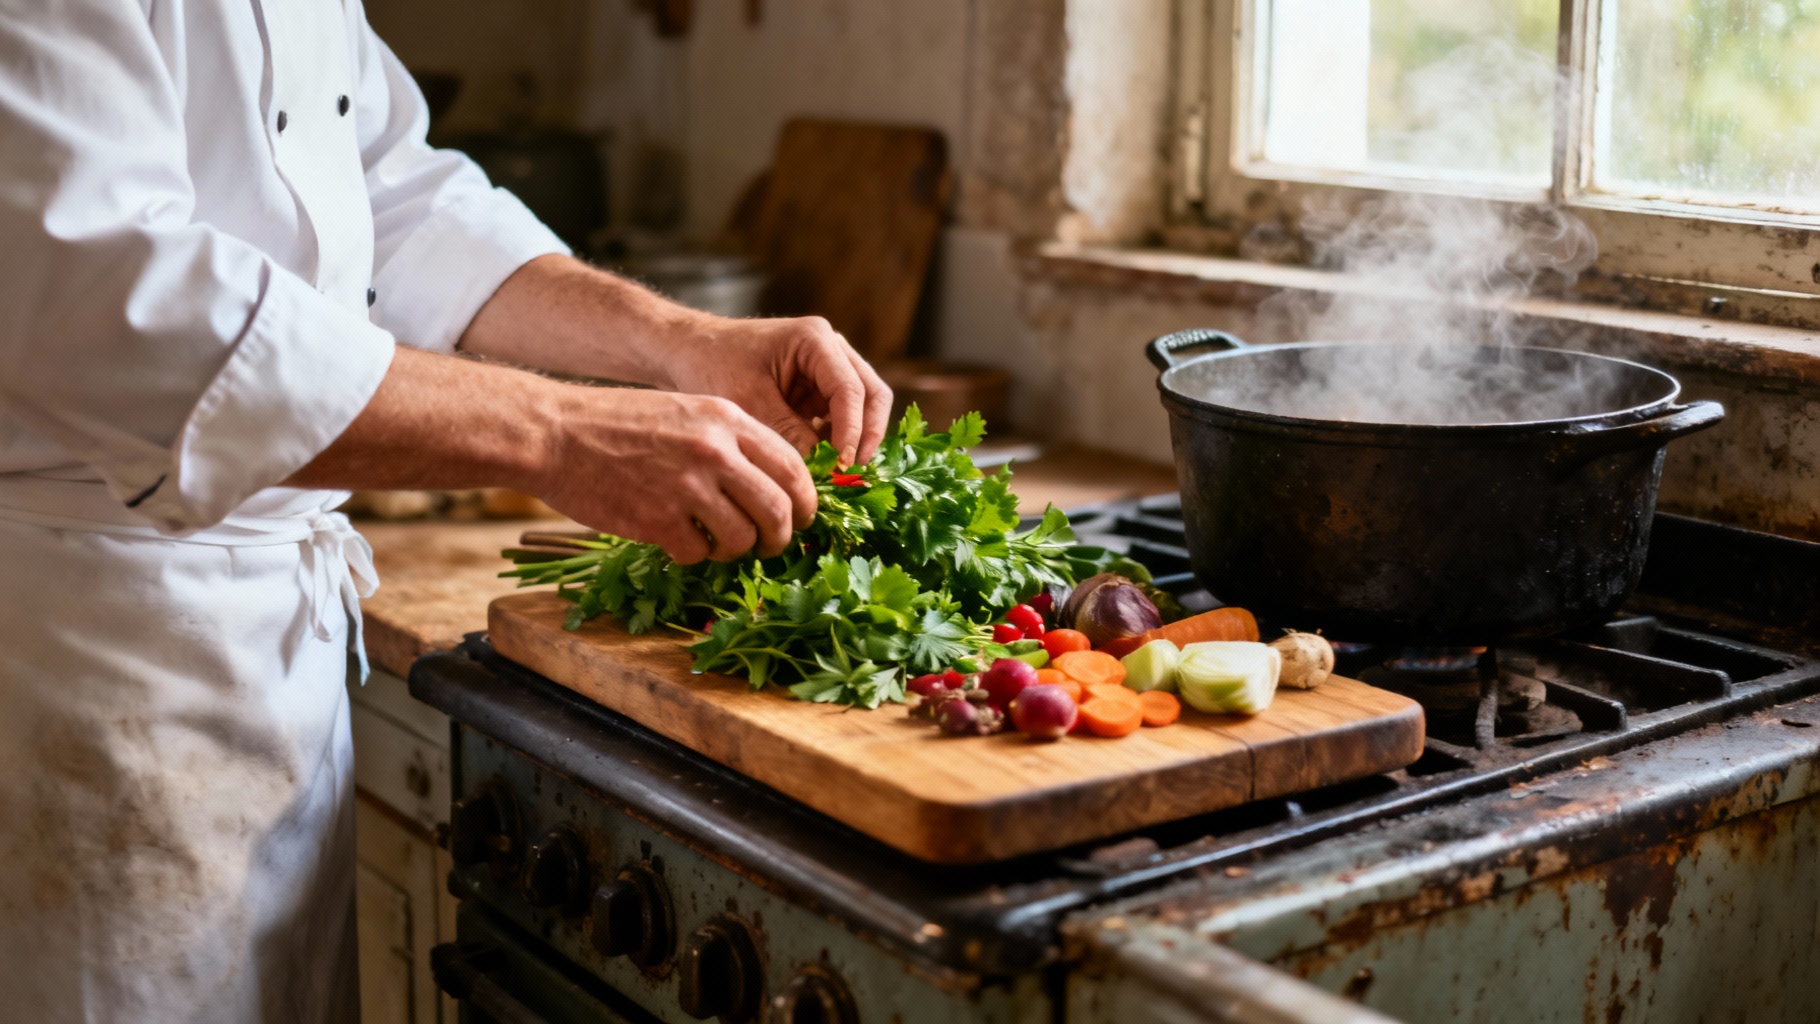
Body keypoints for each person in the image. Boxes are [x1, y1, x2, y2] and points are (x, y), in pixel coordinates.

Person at [0, 1, 891, 1020]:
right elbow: (109, 303)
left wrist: (678, 341)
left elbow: (397, 199)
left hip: (265, 660)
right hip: (78, 654)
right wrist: (560, 433)